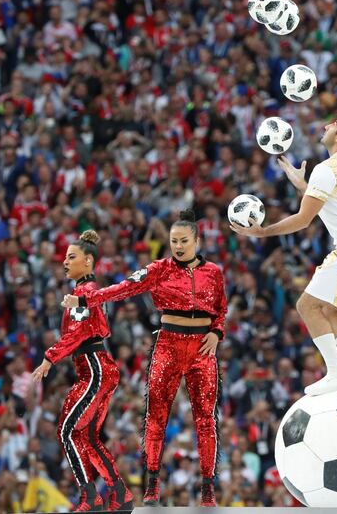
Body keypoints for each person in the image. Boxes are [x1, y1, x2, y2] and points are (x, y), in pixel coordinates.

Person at [61, 210, 227, 507]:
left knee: (205, 419)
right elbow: (123, 289)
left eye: (184, 241)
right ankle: (151, 485)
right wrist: (86, 299)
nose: (178, 246)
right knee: (155, 415)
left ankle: (208, 488)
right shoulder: (159, 269)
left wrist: (217, 332)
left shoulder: (213, 272)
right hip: (169, 344)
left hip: (203, 348)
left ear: (197, 241)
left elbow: (221, 310)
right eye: (173, 241)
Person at [232, 114, 337, 395]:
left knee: (307, 306)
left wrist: (264, 232)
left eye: (333, 125)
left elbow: (305, 219)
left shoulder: (326, 169)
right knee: (331, 308)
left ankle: (336, 372)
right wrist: (304, 186)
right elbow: (334, 204)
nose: (326, 125)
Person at [31, 230, 133, 512]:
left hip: (94, 369)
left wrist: (49, 358)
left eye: (71, 257)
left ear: (88, 261)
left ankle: (91, 497)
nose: (65, 262)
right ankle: (119, 493)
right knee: (86, 436)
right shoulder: (86, 292)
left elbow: (76, 334)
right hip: (97, 367)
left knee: (67, 431)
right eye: (64, 257)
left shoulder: (83, 293)